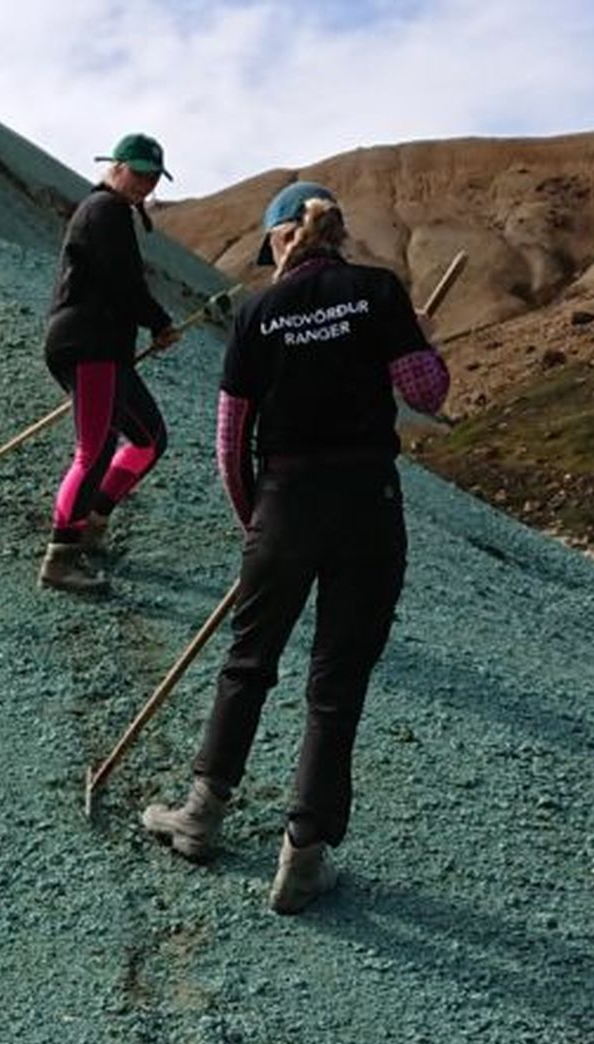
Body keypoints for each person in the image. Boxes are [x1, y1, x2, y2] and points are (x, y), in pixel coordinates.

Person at [141, 181, 450, 914]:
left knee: (248, 664)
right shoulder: (378, 292)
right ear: (335, 233)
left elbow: (229, 436)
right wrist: (419, 338)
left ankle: (201, 816)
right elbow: (427, 395)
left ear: (282, 239)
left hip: (284, 502)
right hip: (367, 505)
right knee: (336, 685)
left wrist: (256, 519)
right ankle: (303, 856)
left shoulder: (255, 311)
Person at [39, 132, 182, 593]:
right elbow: (123, 282)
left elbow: (120, 285)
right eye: (139, 173)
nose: (144, 184)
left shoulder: (114, 212)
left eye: (152, 178)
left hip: (105, 350)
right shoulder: (106, 210)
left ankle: (93, 521)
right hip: (88, 344)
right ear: (115, 166)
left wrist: (149, 326)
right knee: (95, 450)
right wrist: (159, 323)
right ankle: (61, 559)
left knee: (148, 438)